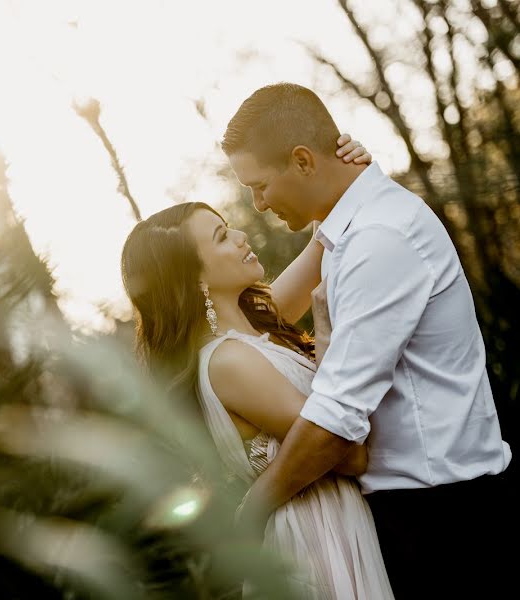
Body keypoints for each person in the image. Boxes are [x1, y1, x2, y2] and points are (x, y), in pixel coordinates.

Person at [224, 82, 514, 597]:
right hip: (420, 511)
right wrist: (342, 194)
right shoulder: (350, 230)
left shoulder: (379, 237)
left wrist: (253, 511)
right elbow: (270, 318)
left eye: (261, 185)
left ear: (303, 161)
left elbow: (337, 421)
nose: (258, 204)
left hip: (442, 518)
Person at [121, 136, 395, 598]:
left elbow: (323, 243)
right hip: (314, 537)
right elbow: (351, 452)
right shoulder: (230, 362)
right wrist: (325, 331)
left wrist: (342, 171)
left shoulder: (254, 330)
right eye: (222, 237)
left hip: (334, 521)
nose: (242, 235)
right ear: (196, 279)